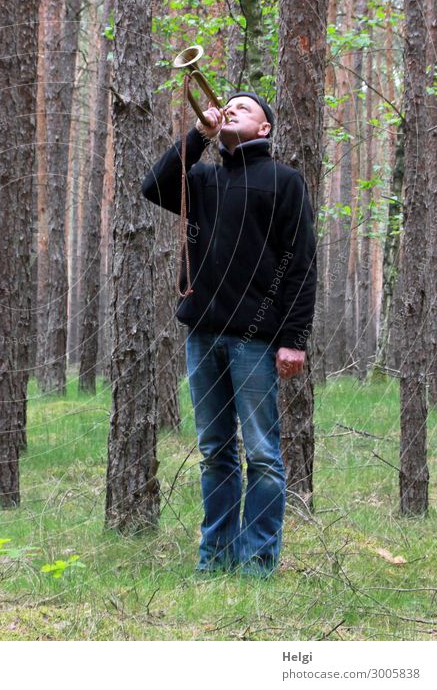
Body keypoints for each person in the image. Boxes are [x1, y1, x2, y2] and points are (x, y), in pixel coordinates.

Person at [141, 92, 317, 577]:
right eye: (230, 105)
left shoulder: (284, 181)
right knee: (215, 453)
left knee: (261, 454)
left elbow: (301, 264)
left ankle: (258, 562)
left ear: (265, 130)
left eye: (246, 108)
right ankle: (214, 559)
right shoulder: (202, 178)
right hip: (202, 335)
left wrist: (294, 338)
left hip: (256, 341)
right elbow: (153, 187)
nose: (233, 109)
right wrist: (199, 136)